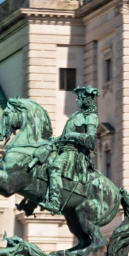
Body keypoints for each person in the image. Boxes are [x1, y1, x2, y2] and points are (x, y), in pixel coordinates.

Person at [39, 85, 100, 213]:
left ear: (85, 100)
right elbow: (66, 135)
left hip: (74, 153)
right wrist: (55, 140)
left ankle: (55, 202)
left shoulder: (91, 117)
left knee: (54, 168)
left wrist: (73, 135)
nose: (76, 101)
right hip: (63, 149)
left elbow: (90, 142)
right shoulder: (76, 115)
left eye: (79, 98)